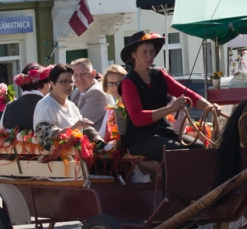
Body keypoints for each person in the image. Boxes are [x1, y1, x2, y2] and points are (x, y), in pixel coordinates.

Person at [119, 31, 215, 162]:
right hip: (140, 138)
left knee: (200, 147)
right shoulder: (128, 82)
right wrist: (170, 109)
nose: (149, 56)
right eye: (144, 52)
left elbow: (189, 94)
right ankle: (176, 182)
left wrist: (210, 107)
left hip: (162, 131)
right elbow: (137, 118)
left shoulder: (160, 75)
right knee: (177, 153)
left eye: (152, 51)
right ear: (133, 54)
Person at [33, 64, 103, 151]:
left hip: (76, 159)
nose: (69, 85)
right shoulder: (46, 106)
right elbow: (45, 137)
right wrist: (74, 127)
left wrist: (98, 139)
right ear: (52, 84)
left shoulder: (71, 105)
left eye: (71, 81)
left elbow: (83, 127)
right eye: (63, 81)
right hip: (57, 161)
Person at [1, 64, 52, 132]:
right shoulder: (48, 104)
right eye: (48, 82)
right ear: (41, 85)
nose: (50, 86)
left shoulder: (9, 107)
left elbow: (0, 134)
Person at [70, 57, 114, 134]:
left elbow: (76, 123)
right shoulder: (77, 91)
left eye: (83, 73)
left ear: (93, 73)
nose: (79, 78)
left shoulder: (96, 92)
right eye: (75, 75)